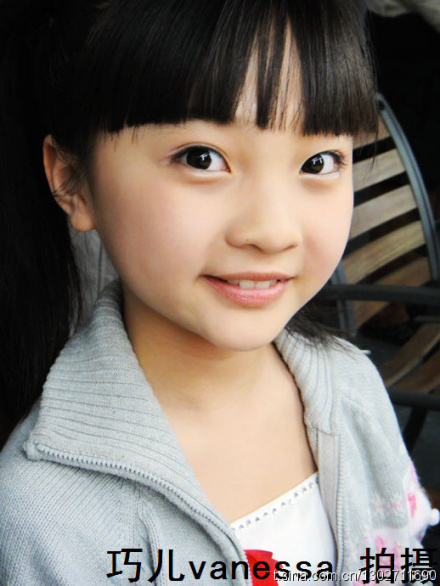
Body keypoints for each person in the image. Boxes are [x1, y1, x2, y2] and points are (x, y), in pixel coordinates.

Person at [0, 1, 437, 584]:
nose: (273, 231)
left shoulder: (351, 385)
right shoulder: (45, 514)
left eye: (318, 161)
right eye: (202, 159)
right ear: (72, 179)